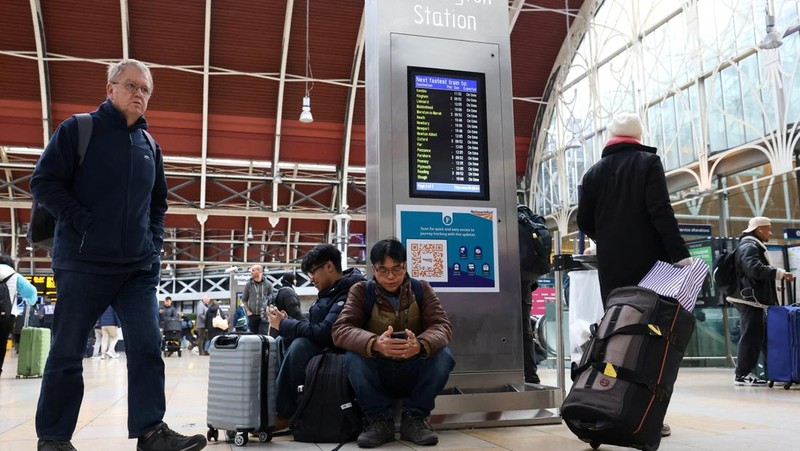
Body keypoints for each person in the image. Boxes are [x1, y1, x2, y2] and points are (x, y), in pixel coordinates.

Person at [29, 59, 207, 451]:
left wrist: (154, 242)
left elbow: (158, 203)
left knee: (146, 347)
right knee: (68, 351)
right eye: (131, 86)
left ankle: (150, 431)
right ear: (110, 89)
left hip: (136, 268)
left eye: (145, 89)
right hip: (83, 263)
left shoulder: (149, 147)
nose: (139, 94)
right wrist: (81, 220)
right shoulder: (79, 129)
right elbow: (43, 181)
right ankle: (54, 438)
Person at [576, 112, 690, 438]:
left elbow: (584, 221)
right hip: (650, 267)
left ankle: (606, 404)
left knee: (616, 334)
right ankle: (643, 413)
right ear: (638, 136)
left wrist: (608, 238)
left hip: (611, 267)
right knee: (649, 338)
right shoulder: (648, 163)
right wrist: (680, 255)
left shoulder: (593, 172)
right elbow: (660, 212)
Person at [332, 238, 455, 448]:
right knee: (353, 357)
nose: (390, 277)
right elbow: (341, 329)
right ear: (373, 269)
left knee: (444, 355)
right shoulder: (361, 291)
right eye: (383, 270)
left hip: (413, 368)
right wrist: (374, 343)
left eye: (396, 269)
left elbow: (442, 325)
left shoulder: (421, 289)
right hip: (377, 370)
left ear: (405, 266)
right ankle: (379, 421)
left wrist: (420, 344)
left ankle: (415, 418)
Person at [266, 244, 364, 425]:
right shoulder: (329, 293)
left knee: (300, 346)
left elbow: (327, 332)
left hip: (339, 351)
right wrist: (286, 323)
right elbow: (315, 326)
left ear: (329, 266)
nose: (311, 279)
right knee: (281, 340)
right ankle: (272, 404)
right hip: (325, 347)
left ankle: (284, 412)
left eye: (312, 272)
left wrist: (285, 324)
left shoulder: (350, 291)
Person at [727, 216, 796, 386]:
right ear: (759, 229)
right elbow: (753, 269)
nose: (770, 232)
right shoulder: (749, 245)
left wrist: (771, 287)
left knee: (763, 335)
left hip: (753, 298)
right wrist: (779, 274)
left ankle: (776, 371)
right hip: (750, 300)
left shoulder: (751, 245)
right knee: (751, 336)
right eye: (768, 228)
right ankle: (742, 375)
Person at [0, 254, 38, 377]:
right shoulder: (14, 276)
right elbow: (31, 292)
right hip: (5, 315)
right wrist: (31, 302)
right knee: (1, 343)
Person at [264, 272, 304, 337]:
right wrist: (304, 323)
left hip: (278, 326)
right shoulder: (288, 292)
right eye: (294, 279)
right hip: (287, 326)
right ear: (290, 280)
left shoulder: (280, 290)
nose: (296, 281)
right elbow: (294, 311)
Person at [242, 264, 273, 334]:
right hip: (252, 315)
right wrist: (247, 311)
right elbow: (244, 299)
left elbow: (272, 298)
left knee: (264, 334)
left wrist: (269, 310)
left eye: (253, 270)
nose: (251, 272)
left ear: (259, 271)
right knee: (253, 335)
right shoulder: (248, 285)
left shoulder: (268, 284)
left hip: (264, 315)